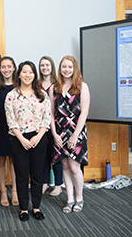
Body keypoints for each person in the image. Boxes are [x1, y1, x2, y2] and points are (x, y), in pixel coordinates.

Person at [5, 61, 51, 221]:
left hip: (39, 137)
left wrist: (38, 137)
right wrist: (22, 139)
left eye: (31, 72)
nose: (27, 75)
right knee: (22, 175)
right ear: (19, 74)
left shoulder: (42, 95)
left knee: (37, 175)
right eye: (24, 72)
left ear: (34, 75)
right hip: (19, 139)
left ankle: (36, 207)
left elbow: (47, 118)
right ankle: (23, 208)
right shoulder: (12, 95)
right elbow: (10, 120)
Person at [49, 55, 90, 213]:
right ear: (60, 69)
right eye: (63, 67)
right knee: (64, 165)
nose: (66, 70)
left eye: (69, 67)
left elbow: (84, 113)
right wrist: (54, 133)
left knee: (74, 167)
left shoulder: (82, 86)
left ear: (75, 69)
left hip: (76, 132)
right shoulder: (55, 87)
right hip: (59, 131)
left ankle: (79, 198)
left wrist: (74, 136)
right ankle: (70, 199)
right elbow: (51, 113)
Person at [0, 56, 19, 207]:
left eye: (9, 66)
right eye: (3, 67)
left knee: (14, 160)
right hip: (0, 126)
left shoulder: (20, 86)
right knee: (0, 159)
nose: (6, 70)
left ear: (14, 68)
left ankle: (15, 190)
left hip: (16, 128)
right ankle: (3, 191)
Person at [38, 56, 63, 196]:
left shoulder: (58, 84)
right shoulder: (36, 84)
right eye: (42, 65)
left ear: (52, 67)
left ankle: (58, 185)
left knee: (56, 155)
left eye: (47, 65)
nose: (45, 68)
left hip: (56, 125)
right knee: (44, 156)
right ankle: (44, 183)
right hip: (41, 126)